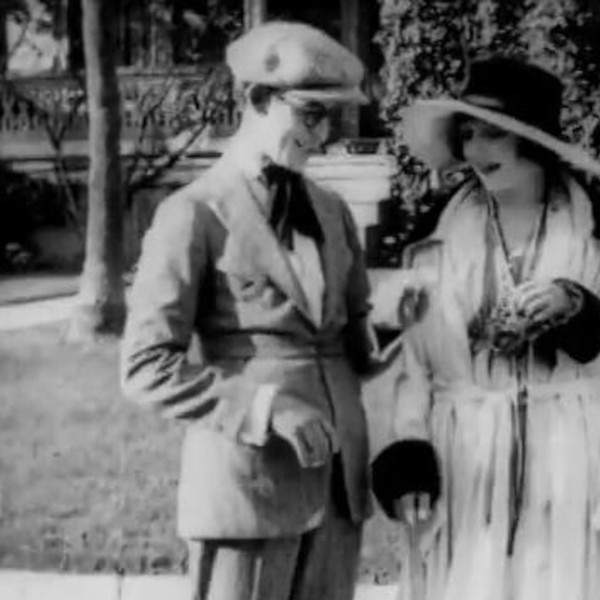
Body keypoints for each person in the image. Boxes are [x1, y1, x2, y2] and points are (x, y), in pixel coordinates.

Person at [121, 20, 419, 600]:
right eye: (310, 114)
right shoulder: (194, 213)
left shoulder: (332, 210)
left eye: (332, 118)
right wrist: (266, 408)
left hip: (339, 488)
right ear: (258, 99)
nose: (322, 135)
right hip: (247, 486)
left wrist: (389, 322)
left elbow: (350, 349)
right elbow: (145, 366)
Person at [371, 56, 600, 600]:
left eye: (493, 134)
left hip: (571, 456)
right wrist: (409, 450)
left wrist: (578, 306)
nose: (475, 151)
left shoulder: (593, 232)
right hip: (464, 460)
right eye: (468, 134)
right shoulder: (435, 239)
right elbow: (414, 368)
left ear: (534, 140)